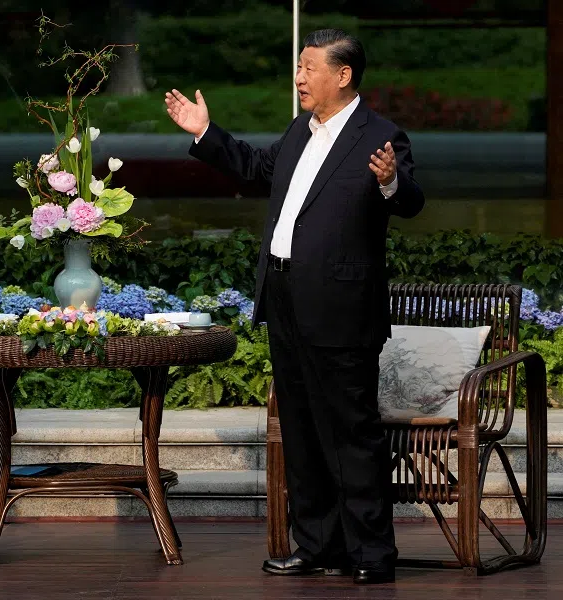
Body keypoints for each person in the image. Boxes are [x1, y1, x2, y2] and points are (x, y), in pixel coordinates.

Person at [165, 29, 424, 585]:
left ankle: (372, 554)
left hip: (340, 306)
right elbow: (258, 169)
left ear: (343, 75)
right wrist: (204, 133)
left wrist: (390, 183)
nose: (299, 78)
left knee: (351, 433)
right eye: (298, 68)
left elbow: (410, 200)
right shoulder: (300, 132)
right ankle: (319, 546)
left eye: (309, 68)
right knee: (302, 431)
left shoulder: (380, 136)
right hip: (283, 297)